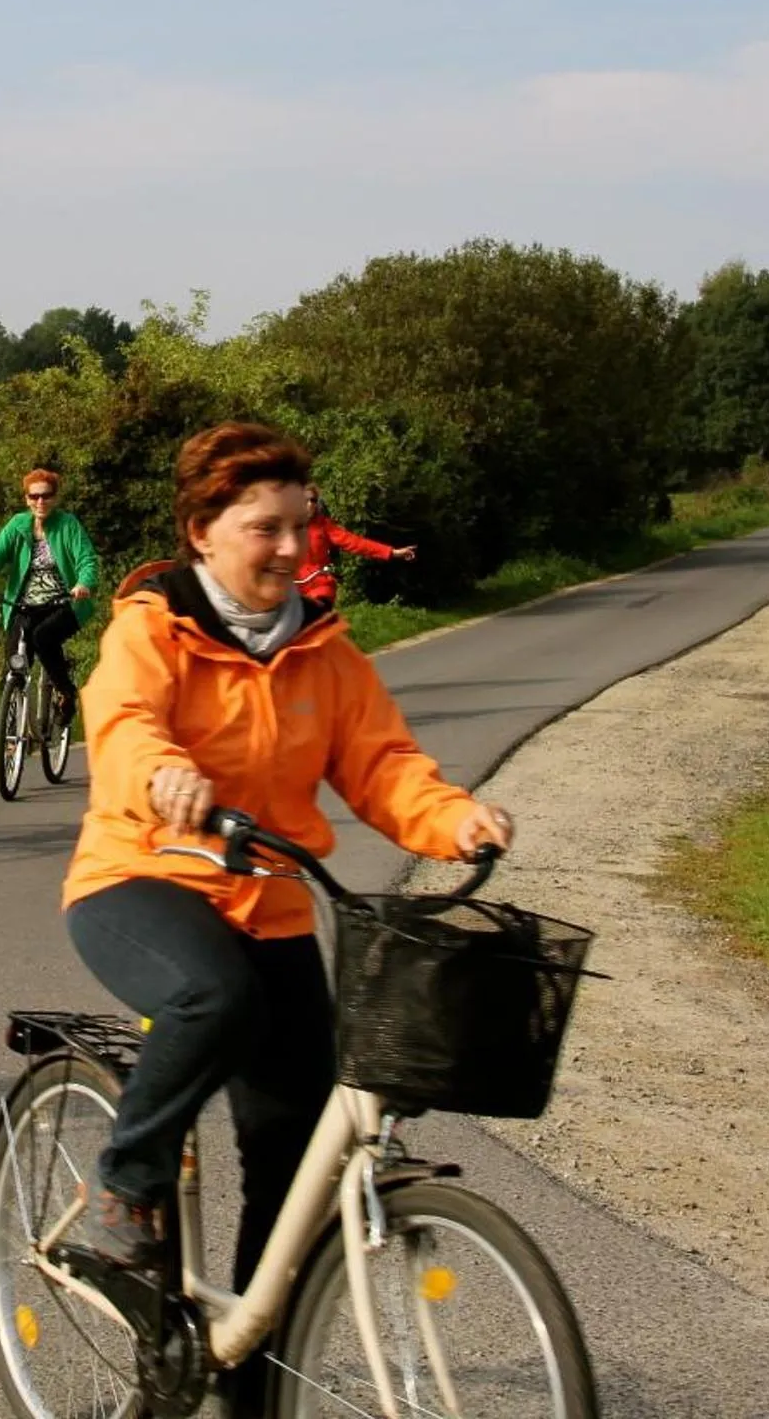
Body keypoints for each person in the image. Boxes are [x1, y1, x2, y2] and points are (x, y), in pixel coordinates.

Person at [61, 421, 514, 1316]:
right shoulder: (153, 630)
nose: (290, 548)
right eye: (264, 528)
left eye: (299, 526)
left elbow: (383, 765)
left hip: (268, 905)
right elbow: (124, 725)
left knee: (297, 1152)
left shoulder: (325, 652)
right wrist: (164, 775)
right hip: (141, 876)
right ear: (202, 532)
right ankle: (126, 1183)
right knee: (213, 997)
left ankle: (249, 1360)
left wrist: (456, 819)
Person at [0, 467, 100, 714]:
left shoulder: (68, 525)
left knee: (43, 637)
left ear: (55, 497)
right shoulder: (18, 525)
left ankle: (66, 691)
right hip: (24, 604)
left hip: (62, 603)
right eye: (34, 496)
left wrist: (83, 584)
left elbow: (86, 560)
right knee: (13, 665)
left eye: (46, 495)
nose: (40, 501)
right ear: (26, 498)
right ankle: (10, 726)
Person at [293, 482, 417, 608]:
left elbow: (354, 542)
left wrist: (392, 552)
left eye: (313, 500)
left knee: (318, 607)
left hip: (317, 584)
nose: (310, 504)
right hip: (290, 584)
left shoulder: (324, 526)